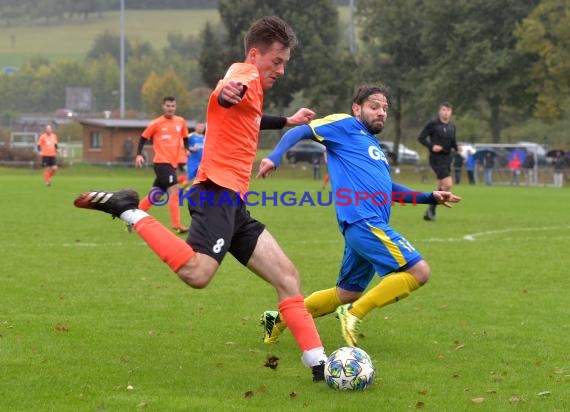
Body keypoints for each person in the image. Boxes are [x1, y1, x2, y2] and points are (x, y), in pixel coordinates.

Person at [73, 16, 328, 382]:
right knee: (198, 272)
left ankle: (320, 366)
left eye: (285, 62)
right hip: (215, 192)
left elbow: (250, 117)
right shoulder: (245, 73)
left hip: (233, 202)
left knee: (288, 277)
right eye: (277, 61)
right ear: (256, 55)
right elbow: (229, 87)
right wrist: (226, 91)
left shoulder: (254, 91)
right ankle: (127, 209)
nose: (282, 70)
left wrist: (287, 121)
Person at [256, 85, 461, 348]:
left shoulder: (372, 145)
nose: (381, 113)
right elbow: (301, 130)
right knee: (419, 271)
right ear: (357, 108)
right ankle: (353, 313)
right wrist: (275, 156)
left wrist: (429, 197)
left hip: (364, 224)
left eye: (385, 108)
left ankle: (277, 319)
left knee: (348, 291)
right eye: (374, 106)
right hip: (362, 219)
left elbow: (389, 190)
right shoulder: (343, 124)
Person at [134, 96, 190, 234]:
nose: (170, 108)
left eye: (172, 106)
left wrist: (187, 149)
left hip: (172, 164)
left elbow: (185, 137)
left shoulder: (180, 121)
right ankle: (177, 225)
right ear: (163, 106)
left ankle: (133, 215)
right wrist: (139, 154)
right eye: (168, 106)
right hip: (161, 162)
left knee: (156, 194)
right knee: (175, 191)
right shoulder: (156, 123)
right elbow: (143, 138)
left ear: (175, 107)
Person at [418, 102, 458, 221]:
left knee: (440, 186)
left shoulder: (452, 126)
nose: (446, 112)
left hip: (447, 158)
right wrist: (432, 146)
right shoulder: (433, 124)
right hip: (436, 158)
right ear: (439, 111)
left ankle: (430, 212)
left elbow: (453, 142)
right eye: (443, 110)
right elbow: (421, 138)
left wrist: (457, 148)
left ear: (451, 112)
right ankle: (431, 208)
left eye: (448, 110)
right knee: (448, 184)